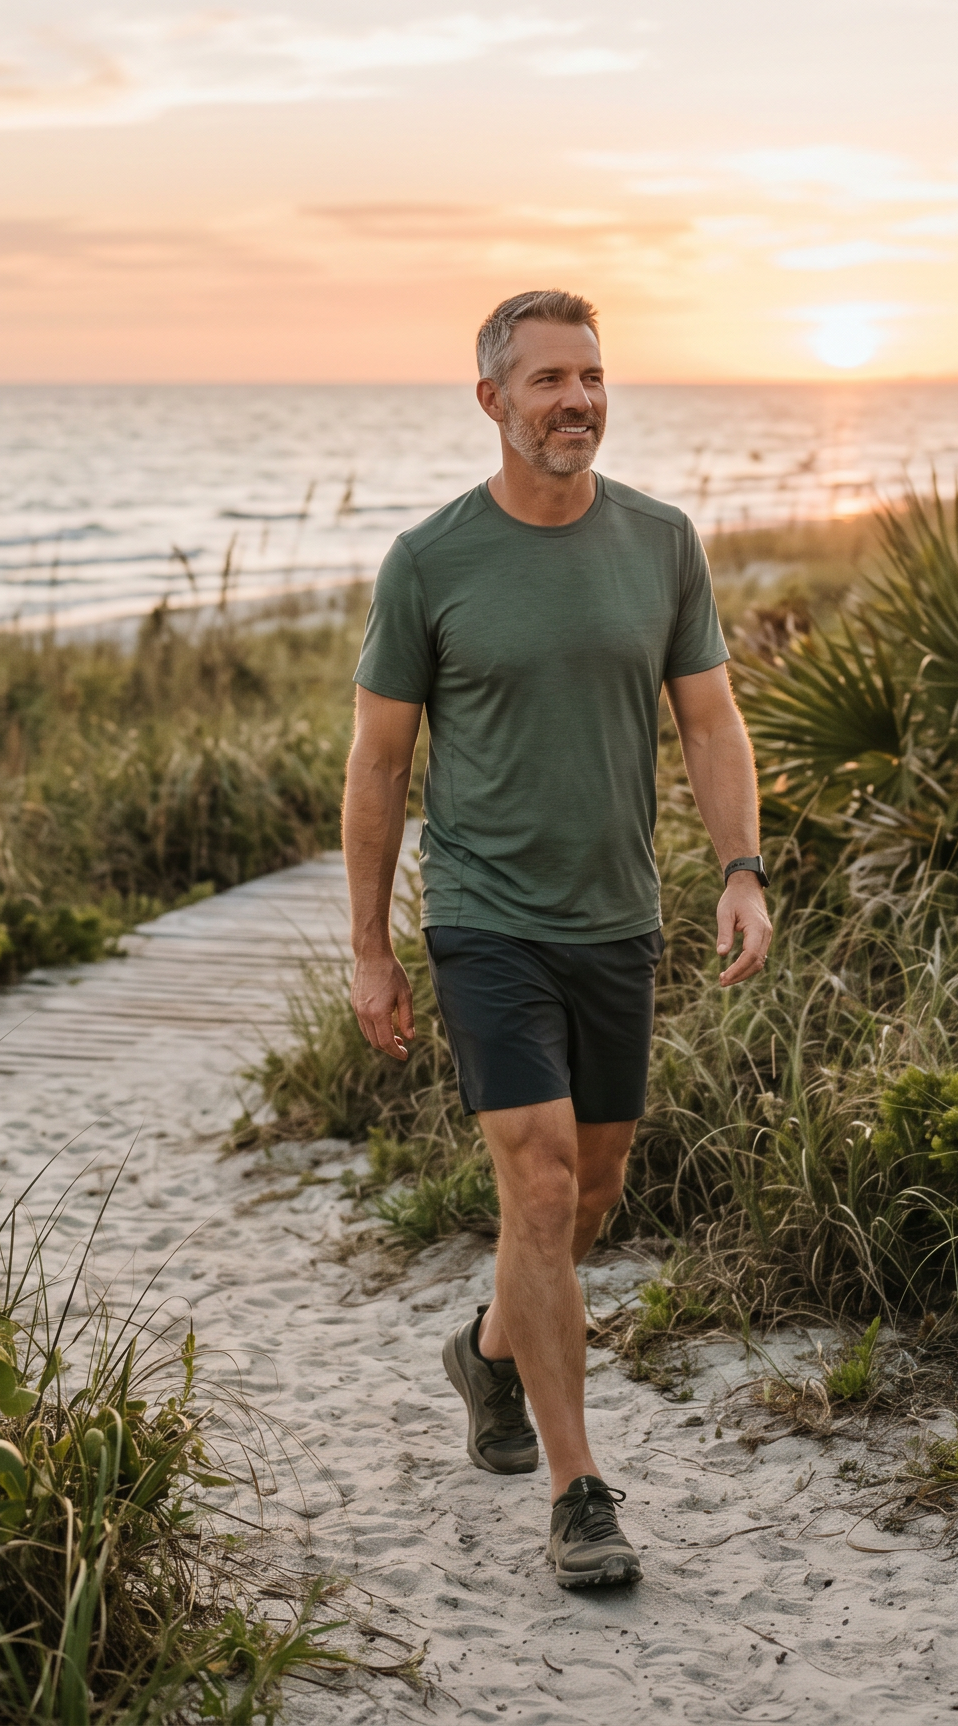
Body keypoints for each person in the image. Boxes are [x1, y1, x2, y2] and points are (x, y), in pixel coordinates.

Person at [341, 289, 772, 1591]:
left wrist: (741, 870)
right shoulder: (432, 561)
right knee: (533, 1187)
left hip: (616, 919)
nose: (575, 399)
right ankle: (580, 1489)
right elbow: (377, 763)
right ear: (492, 400)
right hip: (485, 922)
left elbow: (710, 722)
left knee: (590, 1193)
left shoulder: (661, 542)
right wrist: (371, 946)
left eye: (590, 376)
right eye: (546, 380)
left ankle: (486, 1351)